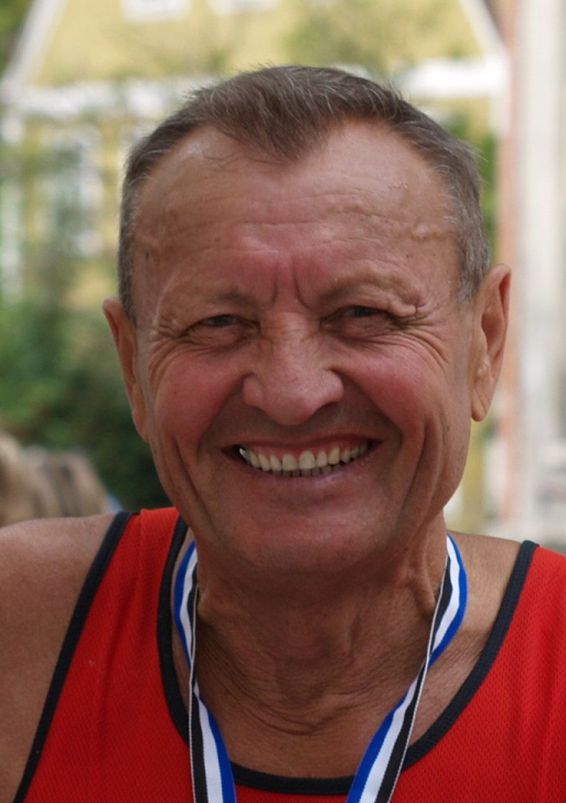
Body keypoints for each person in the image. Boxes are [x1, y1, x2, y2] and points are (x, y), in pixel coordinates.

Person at [1, 65, 565, 802]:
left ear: (484, 341)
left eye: (363, 314)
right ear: (134, 367)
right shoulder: (23, 633)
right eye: (218, 323)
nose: (293, 394)